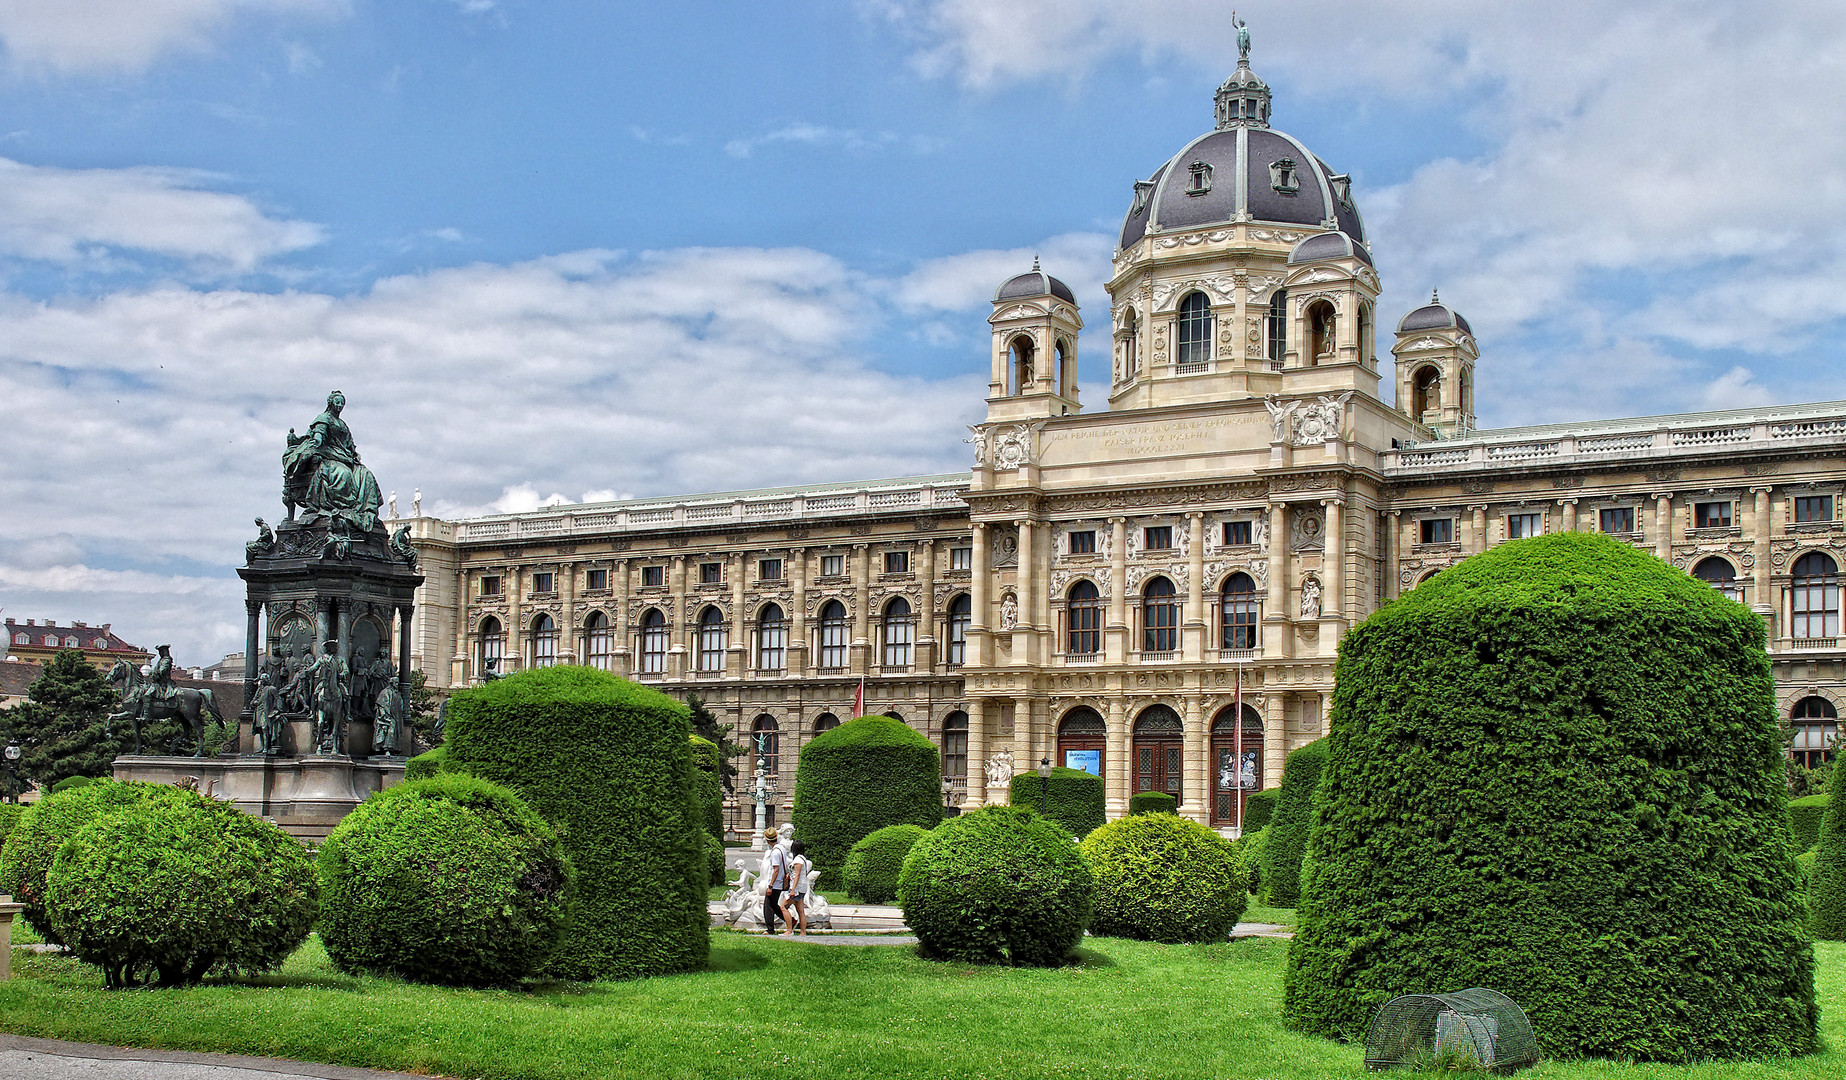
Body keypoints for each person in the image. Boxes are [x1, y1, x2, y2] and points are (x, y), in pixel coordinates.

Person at [779, 840, 813, 936]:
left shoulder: (797, 860)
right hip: (802, 887)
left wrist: (793, 889)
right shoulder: (803, 859)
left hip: (797, 887)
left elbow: (797, 875)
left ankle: (789, 930)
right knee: (800, 911)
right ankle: (803, 932)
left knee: (783, 907)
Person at [761, 827, 790, 934]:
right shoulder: (781, 848)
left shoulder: (774, 852)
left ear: (768, 840)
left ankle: (770, 929)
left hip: (775, 883)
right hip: (780, 882)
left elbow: (776, 869)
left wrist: (770, 885)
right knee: (774, 905)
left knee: (768, 906)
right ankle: (791, 920)